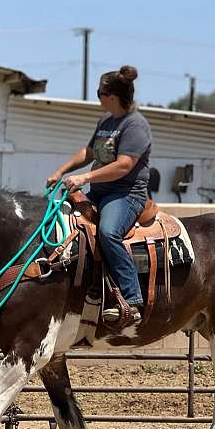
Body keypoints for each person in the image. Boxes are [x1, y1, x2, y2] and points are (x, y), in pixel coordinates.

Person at [47, 65, 152, 326]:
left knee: (108, 233)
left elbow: (125, 165)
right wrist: (60, 171)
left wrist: (85, 178)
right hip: (100, 192)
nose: (98, 98)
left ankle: (132, 298)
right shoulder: (105, 122)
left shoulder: (136, 125)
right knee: (61, 220)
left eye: (99, 93)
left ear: (112, 97)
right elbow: (90, 152)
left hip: (126, 194)